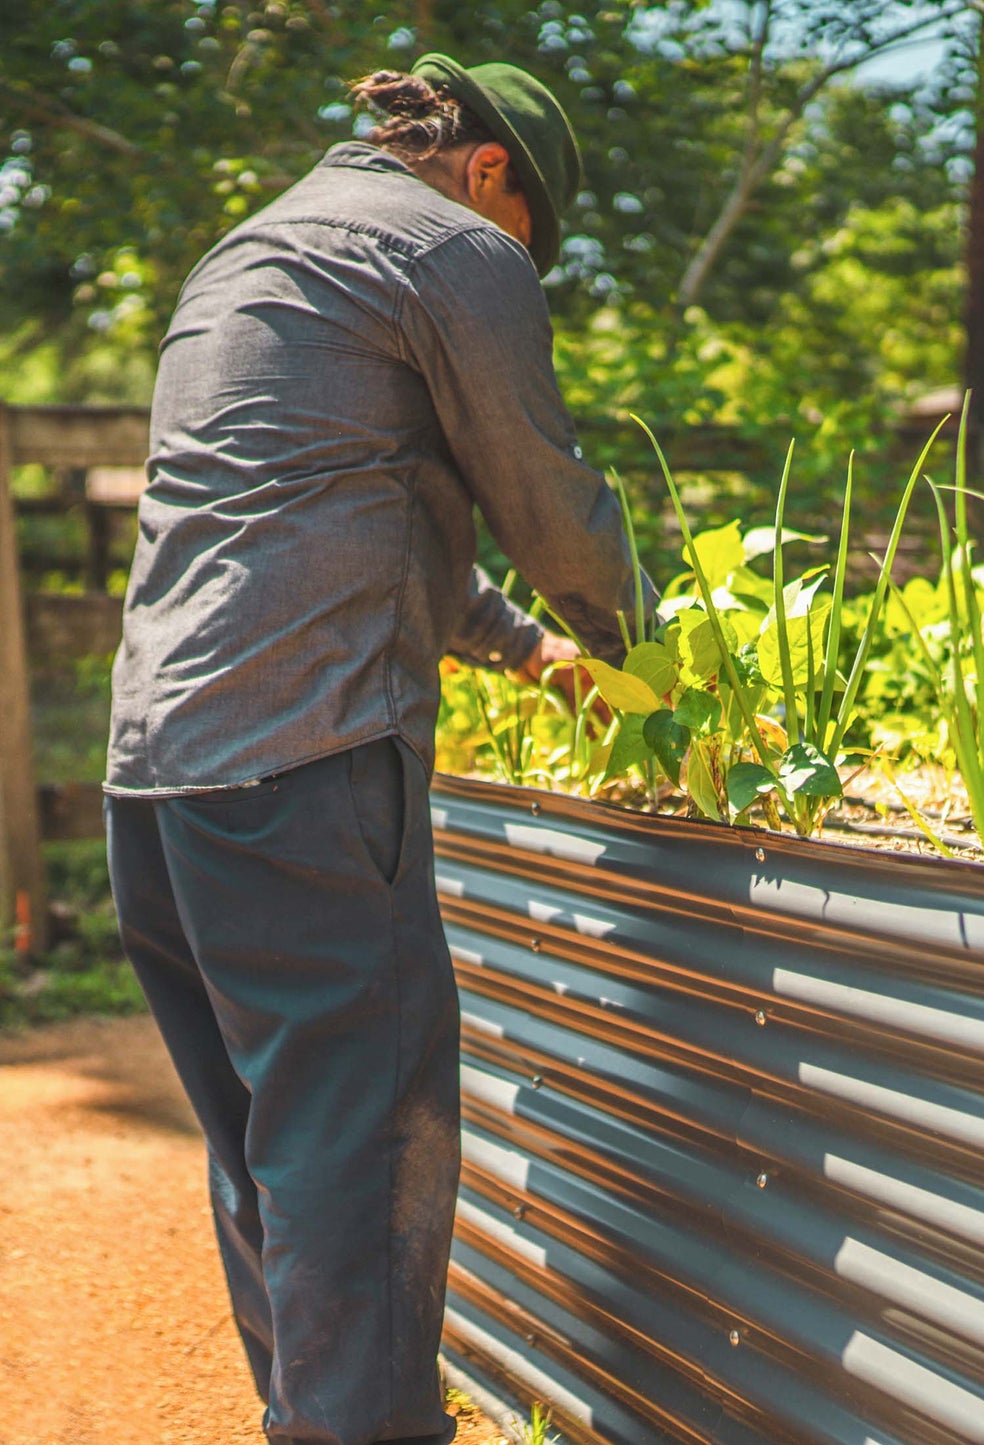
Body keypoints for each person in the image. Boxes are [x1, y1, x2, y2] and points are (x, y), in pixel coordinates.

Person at [103, 53, 653, 1445]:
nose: (522, 264)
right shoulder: (457, 250)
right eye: (531, 235)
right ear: (489, 177)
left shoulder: (259, 248)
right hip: (305, 774)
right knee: (362, 1164)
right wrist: (651, 659)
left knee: (272, 1159)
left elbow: (344, 510)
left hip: (159, 786)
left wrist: (531, 651)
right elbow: (547, 498)